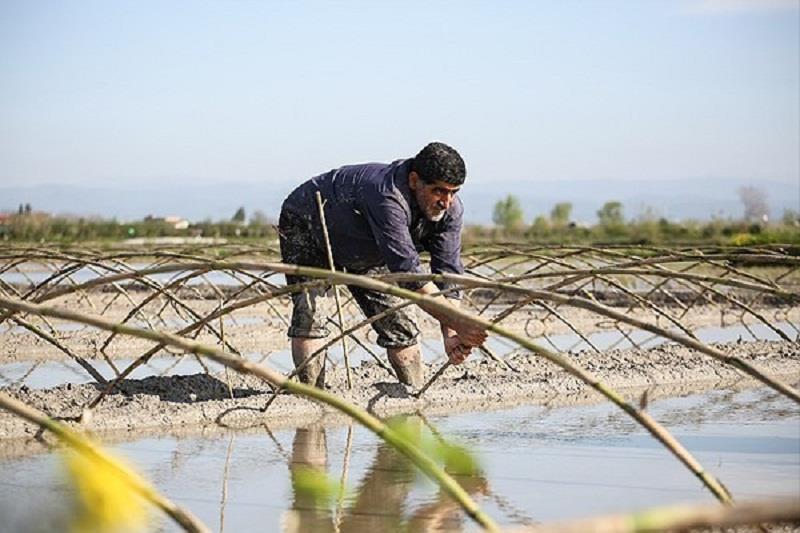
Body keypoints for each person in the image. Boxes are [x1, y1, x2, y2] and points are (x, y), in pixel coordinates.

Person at [278, 141, 487, 388]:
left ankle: (413, 393)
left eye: (454, 192)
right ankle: (312, 393)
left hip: (369, 245)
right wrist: (459, 321)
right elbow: (410, 275)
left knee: (400, 326)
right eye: (438, 191)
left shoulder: (450, 212)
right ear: (414, 180)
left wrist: (451, 332)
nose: (446, 201)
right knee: (310, 312)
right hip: (310, 222)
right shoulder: (387, 195)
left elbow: (448, 275)